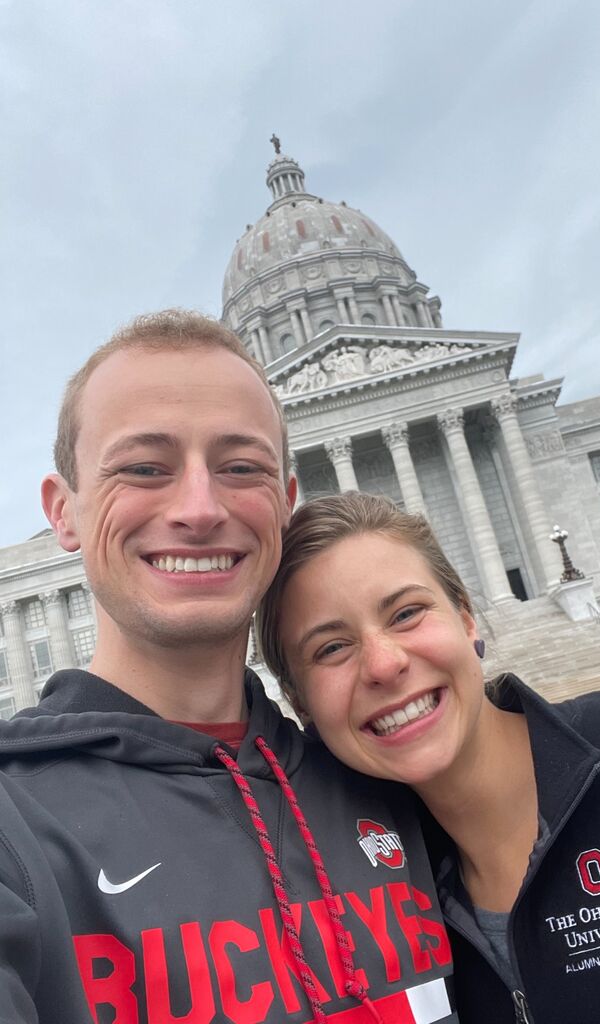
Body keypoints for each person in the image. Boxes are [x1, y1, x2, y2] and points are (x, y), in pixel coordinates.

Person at [0, 313, 456, 1024]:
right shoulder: (13, 828)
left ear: (285, 502)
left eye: (241, 467)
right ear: (64, 513)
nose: (199, 509)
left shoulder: (385, 779)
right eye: (144, 468)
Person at [258, 491, 600, 1024]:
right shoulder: (366, 889)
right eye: (331, 648)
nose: (383, 665)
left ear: (467, 618)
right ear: (299, 702)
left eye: (406, 613)